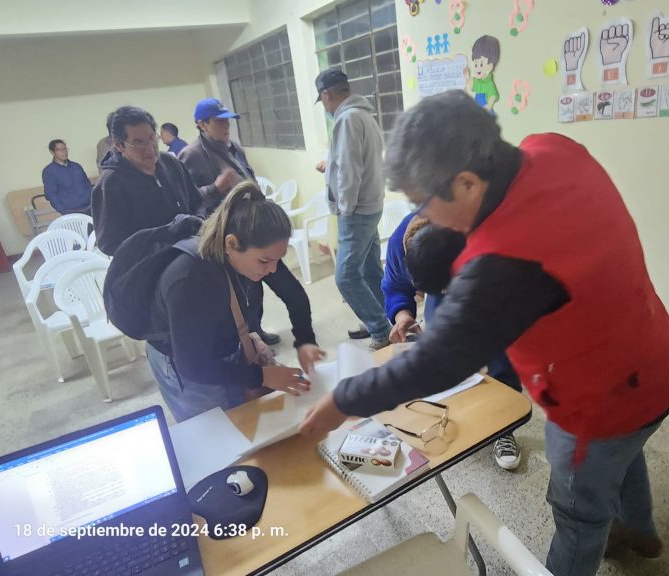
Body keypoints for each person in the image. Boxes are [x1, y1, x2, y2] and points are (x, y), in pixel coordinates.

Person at [301, 90, 669, 576]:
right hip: (654, 355)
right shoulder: (550, 148)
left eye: (423, 203)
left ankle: (605, 536)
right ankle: (639, 531)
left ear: (464, 183)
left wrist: (341, 402)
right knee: (624, 452)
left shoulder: (506, 261)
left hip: (601, 398)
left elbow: (437, 360)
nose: (424, 218)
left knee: (577, 514)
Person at [146, 180, 326, 422]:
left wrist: (305, 341)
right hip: (183, 361)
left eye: (278, 259)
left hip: (221, 341)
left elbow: (294, 294)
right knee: (216, 430)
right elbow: (193, 365)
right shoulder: (190, 278)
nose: (273, 269)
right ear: (231, 243)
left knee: (247, 417)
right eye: (265, 262)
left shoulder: (257, 249)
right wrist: (261, 376)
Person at [383, 215, 523, 470]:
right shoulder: (398, 242)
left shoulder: (486, 231)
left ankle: (505, 424)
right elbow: (394, 286)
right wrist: (403, 314)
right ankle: (457, 411)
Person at [179, 97, 279, 346]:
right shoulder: (191, 155)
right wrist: (216, 187)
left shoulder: (233, 147)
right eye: (219, 122)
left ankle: (256, 329)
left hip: (251, 227)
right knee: (236, 290)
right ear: (202, 125)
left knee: (255, 285)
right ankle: (243, 339)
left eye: (227, 122)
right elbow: (187, 200)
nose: (225, 127)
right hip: (225, 235)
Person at [92, 105, 235, 256]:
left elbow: (196, 201)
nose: (150, 149)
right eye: (139, 142)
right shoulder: (110, 183)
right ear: (119, 145)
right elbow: (109, 244)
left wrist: (197, 220)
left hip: (190, 251)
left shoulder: (170, 163)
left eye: (152, 138)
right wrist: (165, 233)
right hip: (150, 263)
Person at [315, 68, 390, 350]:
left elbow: (349, 170)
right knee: (370, 270)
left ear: (326, 95)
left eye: (322, 100)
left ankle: (380, 329)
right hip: (371, 205)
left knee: (345, 275)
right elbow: (352, 162)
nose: (324, 106)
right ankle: (384, 319)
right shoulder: (365, 116)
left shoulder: (346, 119)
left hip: (357, 210)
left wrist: (345, 210)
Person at [41, 139, 92, 214]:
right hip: (71, 211)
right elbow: (51, 194)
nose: (63, 152)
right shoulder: (49, 171)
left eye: (64, 149)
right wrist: (63, 211)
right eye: (59, 150)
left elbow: (87, 184)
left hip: (90, 207)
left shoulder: (76, 166)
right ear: (52, 152)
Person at [464, 35, 501, 112]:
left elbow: (493, 96)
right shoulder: (478, 81)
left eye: (481, 64)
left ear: (490, 66)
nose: (477, 68)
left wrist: (489, 105)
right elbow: (470, 86)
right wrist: (467, 77)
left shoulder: (489, 83)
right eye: (476, 64)